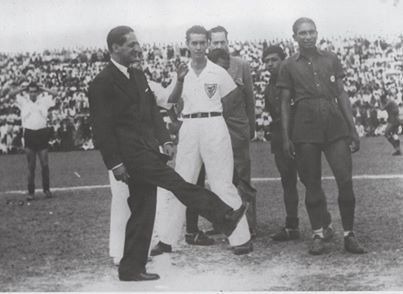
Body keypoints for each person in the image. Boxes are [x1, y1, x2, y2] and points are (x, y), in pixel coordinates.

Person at [88, 25, 247, 282]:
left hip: (147, 150)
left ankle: (131, 268)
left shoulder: (138, 77)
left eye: (137, 43)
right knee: (176, 183)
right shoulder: (102, 83)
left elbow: (152, 113)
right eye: (131, 45)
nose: (137, 48)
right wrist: (115, 163)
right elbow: (102, 129)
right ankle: (224, 215)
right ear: (115, 48)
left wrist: (164, 139)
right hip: (130, 156)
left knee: (143, 210)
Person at [151, 25, 252, 257]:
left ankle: (241, 238)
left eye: (201, 42)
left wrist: (214, 119)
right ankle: (166, 240)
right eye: (193, 43)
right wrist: (178, 81)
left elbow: (232, 101)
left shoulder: (218, 72)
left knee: (221, 182)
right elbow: (170, 101)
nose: (198, 47)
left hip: (214, 124)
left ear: (208, 43)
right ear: (187, 44)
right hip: (189, 126)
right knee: (182, 182)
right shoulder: (181, 71)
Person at [278, 17, 366, 255]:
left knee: (345, 180)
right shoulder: (287, 65)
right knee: (312, 184)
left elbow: (341, 93)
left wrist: (352, 128)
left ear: (317, 33)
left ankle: (349, 235)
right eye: (302, 33)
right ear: (294, 36)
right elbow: (285, 103)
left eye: (311, 32)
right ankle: (318, 233)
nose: (307, 36)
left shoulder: (331, 58)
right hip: (305, 127)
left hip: (334, 124)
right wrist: (286, 137)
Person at [185, 25, 257, 239]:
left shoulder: (241, 65)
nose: (218, 46)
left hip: (236, 129)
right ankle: (222, 222)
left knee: (242, 179)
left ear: (228, 41)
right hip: (213, 130)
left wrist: (250, 127)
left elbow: (249, 99)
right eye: (214, 42)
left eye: (221, 42)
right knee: (219, 177)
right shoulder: (206, 67)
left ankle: (249, 226)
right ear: (209, 44)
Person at [263, 45, 334, 242]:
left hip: (301, 134)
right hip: (280, 136)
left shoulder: (296, 78)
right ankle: (291, 225)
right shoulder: (269, 85)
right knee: (287, 181)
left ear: (283, 60)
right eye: (267, 61)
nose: (270, 64)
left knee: (310, 180)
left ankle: (325, 222)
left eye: (274, 59)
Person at [9, 81, 56, 200]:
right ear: (28, 92)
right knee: (31, 166)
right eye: (30, 92)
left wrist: (43, 87)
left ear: (38, 92)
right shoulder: (23, 101)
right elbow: (10, 94)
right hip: (29, 134)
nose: (33, 94)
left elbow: (55, 93)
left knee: (45, 165)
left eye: (35, 91)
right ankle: (31, 192)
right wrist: (22, 88)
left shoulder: (44, 100)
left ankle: (46, 190)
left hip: (42, 133)